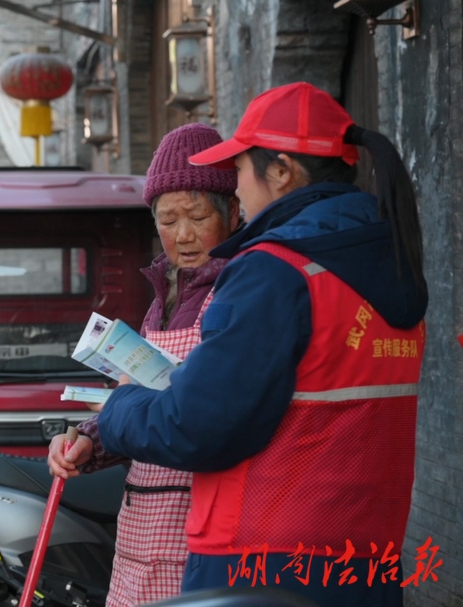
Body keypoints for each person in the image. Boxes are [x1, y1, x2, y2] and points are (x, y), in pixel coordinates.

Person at [84, 82, 427, 606]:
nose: (239, 189)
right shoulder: (388, 268)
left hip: (260, 564)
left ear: (282, 171)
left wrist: (117, 408)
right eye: (167, 220)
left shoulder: (274, 272)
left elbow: (196, 426)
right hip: (366, 560)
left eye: (241, 171)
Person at [48, 122, 240, 606]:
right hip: (142, 522)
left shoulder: (239, 291)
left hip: (200, 523)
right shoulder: (163, 296)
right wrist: (89, 441)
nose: (183, 235)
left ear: (233, 212)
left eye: (197, 216)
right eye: (168, 220)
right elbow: (135, 395)